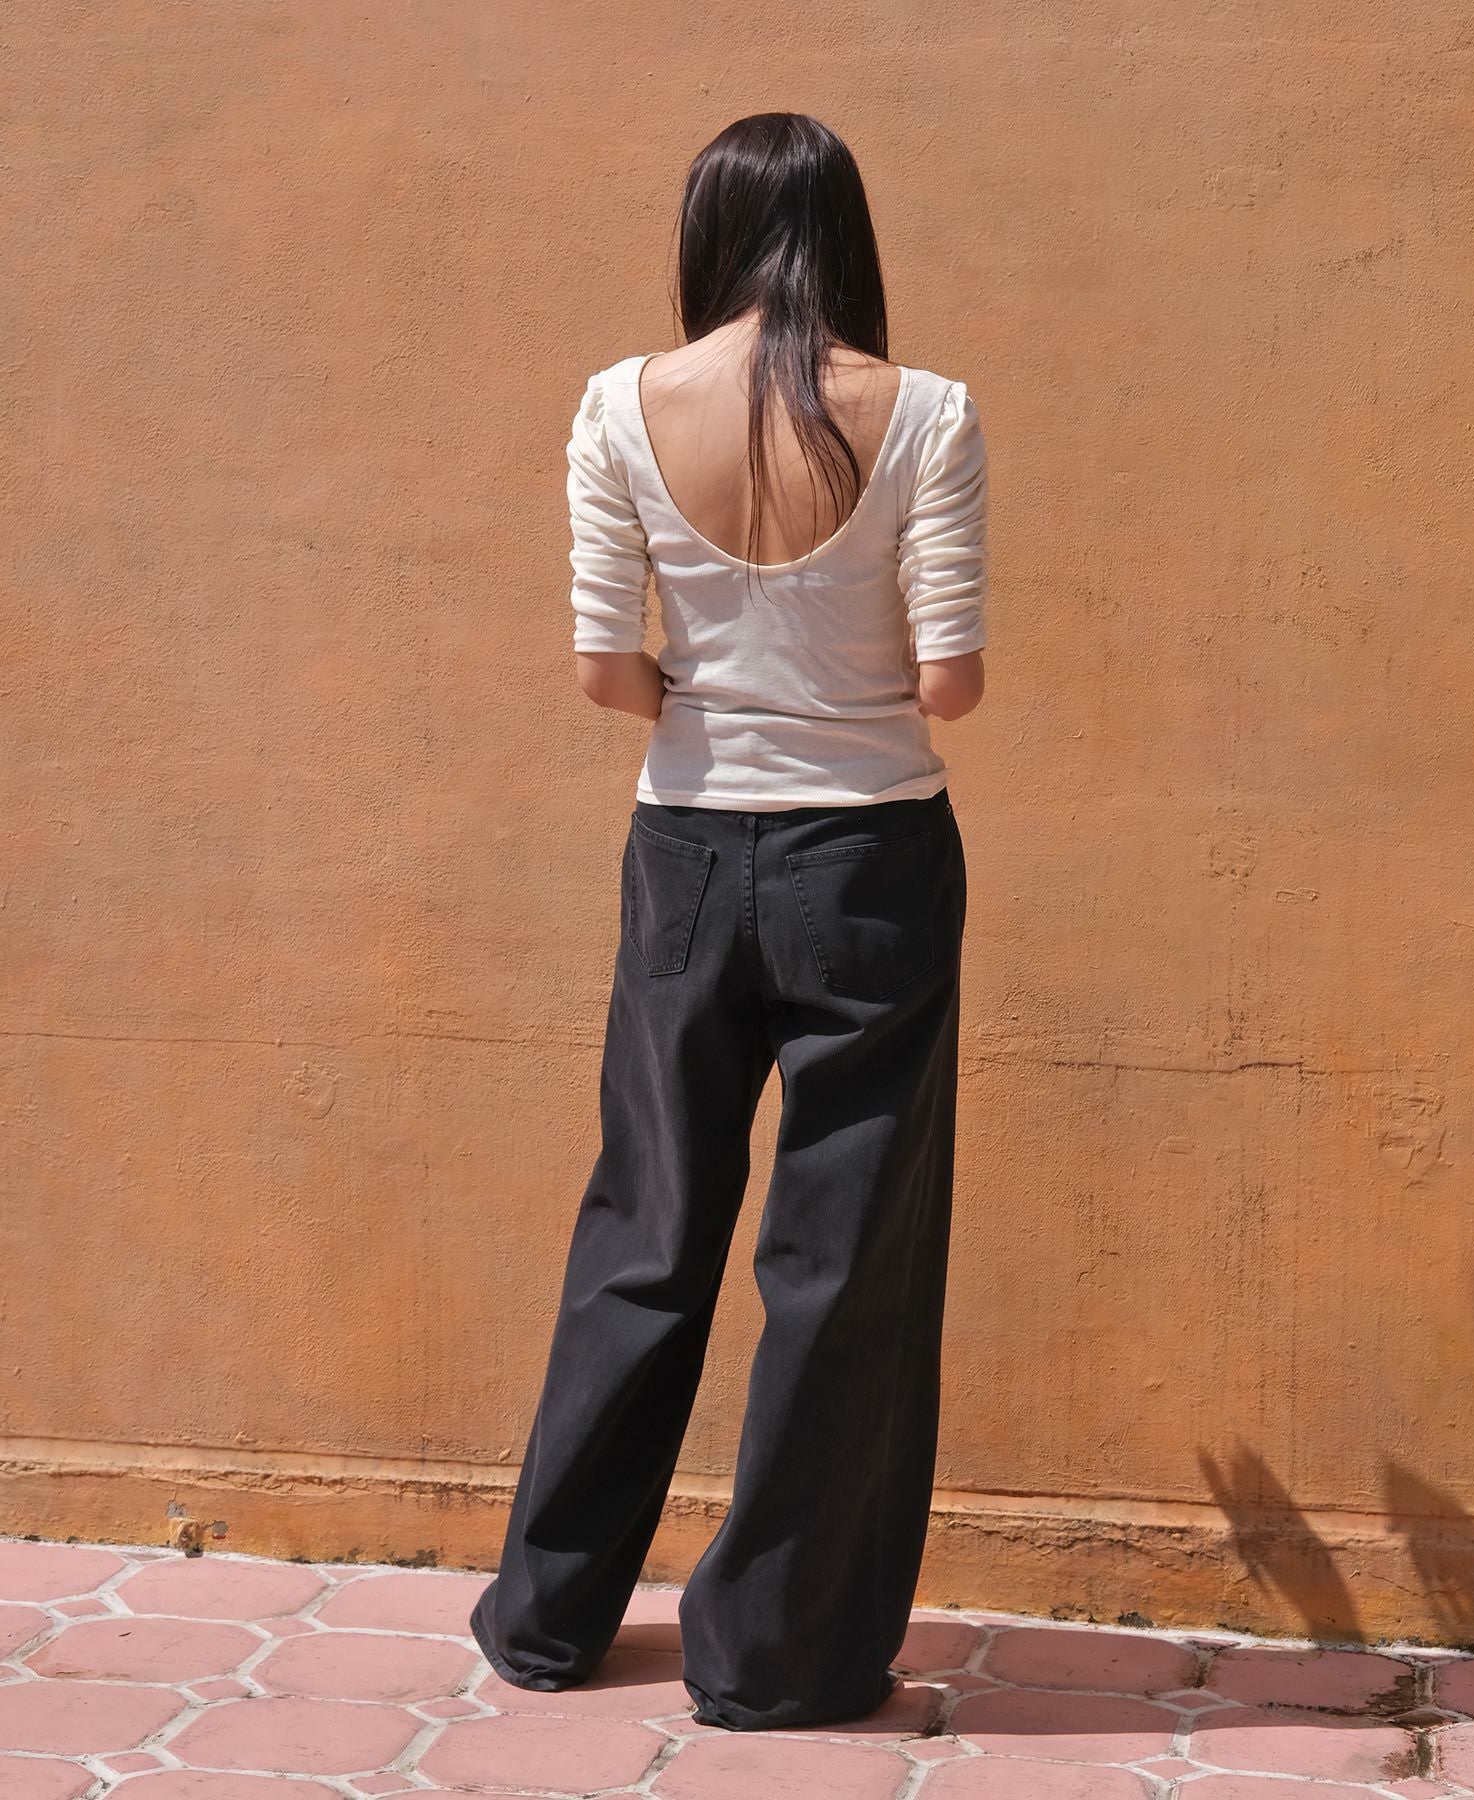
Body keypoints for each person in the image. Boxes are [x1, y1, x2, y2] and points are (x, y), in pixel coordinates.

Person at [470, 110, 987, 1733]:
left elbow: (602, 671)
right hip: (873, 862)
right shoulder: (929, 413)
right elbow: (952, 685)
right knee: (843, 1261)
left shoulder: (616, 406)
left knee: (646, 1221)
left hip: (685, 858)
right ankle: (775, 1655)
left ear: (710, 233)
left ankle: (548, 1617)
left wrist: (713, 695)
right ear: (847, 234)